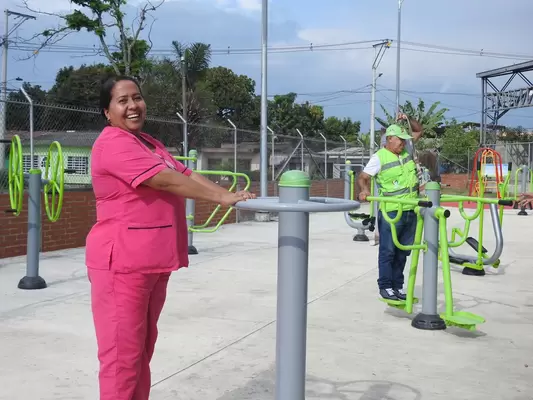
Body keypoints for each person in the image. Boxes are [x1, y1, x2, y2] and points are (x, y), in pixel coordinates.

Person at [85, 75, 255, 400]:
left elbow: (184, 173)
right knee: (123, 360)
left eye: (137, 97)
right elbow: (163, 180)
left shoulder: (147, 142)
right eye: (123, 101)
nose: (133, 106)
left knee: (141, 354)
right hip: (122, 265)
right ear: (107, 111)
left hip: (150, 262)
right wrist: (220, 199)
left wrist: (225, 193)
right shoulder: (113, 143)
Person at [357, 123, 420, 301]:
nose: (403, 143)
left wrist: (408, 117)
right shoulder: (379, 157)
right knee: (388, 251)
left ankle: (397, 287)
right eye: (400, 139)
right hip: (391, 213)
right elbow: (363, 177)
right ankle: (385, 286)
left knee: (403, 252)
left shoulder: (406, 151)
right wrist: (364, 190)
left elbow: (417, 131)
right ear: (390, 139)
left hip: (411, 210)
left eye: (404, 140)